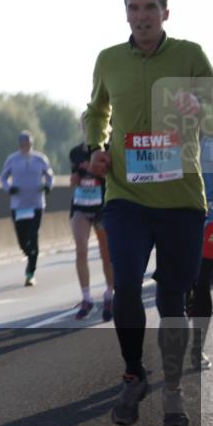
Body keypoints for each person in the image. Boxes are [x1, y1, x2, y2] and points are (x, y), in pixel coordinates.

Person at [86, 0, 213, 426]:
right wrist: (95, 147)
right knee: (125, 285)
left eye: (149, 8)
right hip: (127, 195)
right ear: (126, 14)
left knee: (171, 301)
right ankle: (133, 375)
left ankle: (174, 391)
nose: (141, 15)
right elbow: (97, 110)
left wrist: (196, 107)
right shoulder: (109, 60)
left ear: (166, 12)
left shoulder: (190, 55)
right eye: (133, 8)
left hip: (181, 198)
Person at [68, 116, 114, 320]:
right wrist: (75, 179)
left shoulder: (109, 149)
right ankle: (86, 298)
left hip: (102, 207)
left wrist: (97, 172)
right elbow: (74, 180)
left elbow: (114, 179)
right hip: (80, 206)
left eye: (92, 124)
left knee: (106, 255)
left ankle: (110, 294)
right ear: (82, 127)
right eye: (85, 125)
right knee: (81, 250)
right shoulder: (75, 153)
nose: (88, 128)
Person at [0, 131, 54, 286]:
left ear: (32, 144)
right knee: (22, 239)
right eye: (23, 144)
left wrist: (48, 187)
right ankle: (28, 252)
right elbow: (3, 177)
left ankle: (30, 272)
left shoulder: (40, 159)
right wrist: (8, 188)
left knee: (33, 235)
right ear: (19, 145)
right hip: (18, 205)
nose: (25, 146)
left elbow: (50, 175)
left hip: (36, 203)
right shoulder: (12, 159)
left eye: (28, 143)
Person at [188, 134, 213, 370]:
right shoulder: (172, 134)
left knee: (202, 284)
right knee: (180, 286)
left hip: (209, 219)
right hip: (174, 218)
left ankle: (197, 349)